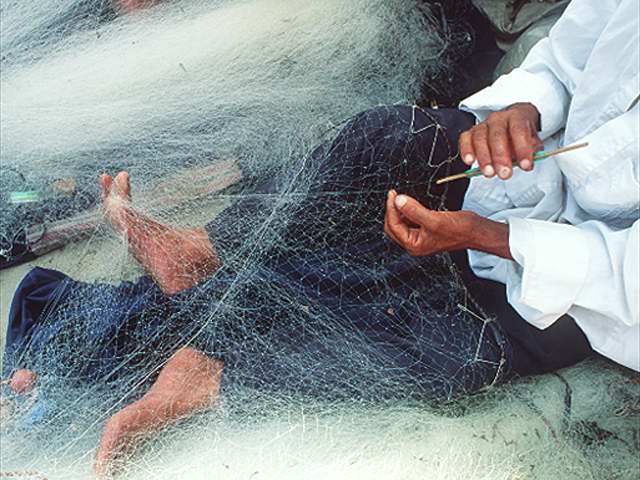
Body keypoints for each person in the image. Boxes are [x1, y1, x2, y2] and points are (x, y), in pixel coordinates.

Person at [2, 0, 638, 476]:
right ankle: (207, 248)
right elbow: (566, 57)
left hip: (589, 289)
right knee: (384, 142)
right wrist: (524, 109)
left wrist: (493, 238)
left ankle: (208, 370)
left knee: (439, 338)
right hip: (521, 166)